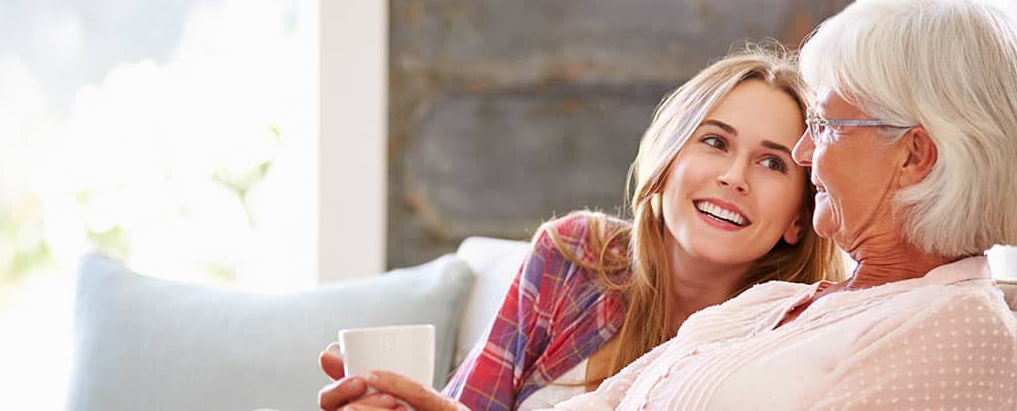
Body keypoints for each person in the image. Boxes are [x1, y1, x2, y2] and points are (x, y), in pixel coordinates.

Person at [334, 0, 1017, 410]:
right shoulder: (773, 305)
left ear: (915, 154)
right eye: (714, 143)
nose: (810, 157)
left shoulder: (959, 330)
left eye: (823, 129)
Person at [317, 47, 847, 411]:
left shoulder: (794, 337)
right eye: (714, 142)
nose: (734, 177)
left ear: (801, 218)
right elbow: (470, 404)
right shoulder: (576, 257)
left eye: (772, 163)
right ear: (666, 162)